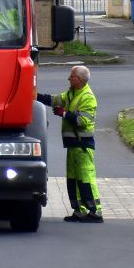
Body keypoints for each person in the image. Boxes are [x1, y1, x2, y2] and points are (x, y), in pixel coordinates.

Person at [37, 65, 102, 223]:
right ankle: (79, 211)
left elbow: (83, 121)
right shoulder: (72, 93)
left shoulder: (88, 97)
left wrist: (64, 113)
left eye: (72, 76)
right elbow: (54, 100)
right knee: (73, 180)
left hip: (82, 145)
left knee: (86, 179)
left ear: (79, 79)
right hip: (73, 144)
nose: (68, 78)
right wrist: (35, 95)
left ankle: (95, 212)